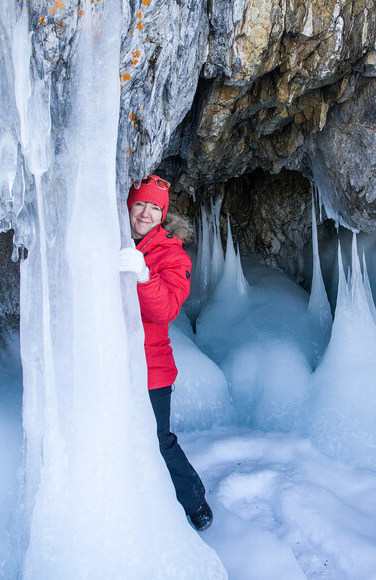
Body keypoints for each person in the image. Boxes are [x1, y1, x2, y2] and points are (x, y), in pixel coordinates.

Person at [118, 174, 214, 532]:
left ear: (164, 214)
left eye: (155, 208)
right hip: (109, 362)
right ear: (128, 205)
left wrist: (144, 276)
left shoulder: (172, 254)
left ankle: (195, 501)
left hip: (151, 367)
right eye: (140, 204)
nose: (145, 213)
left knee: (159, 439)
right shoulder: (110, 239)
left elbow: (167, 308)